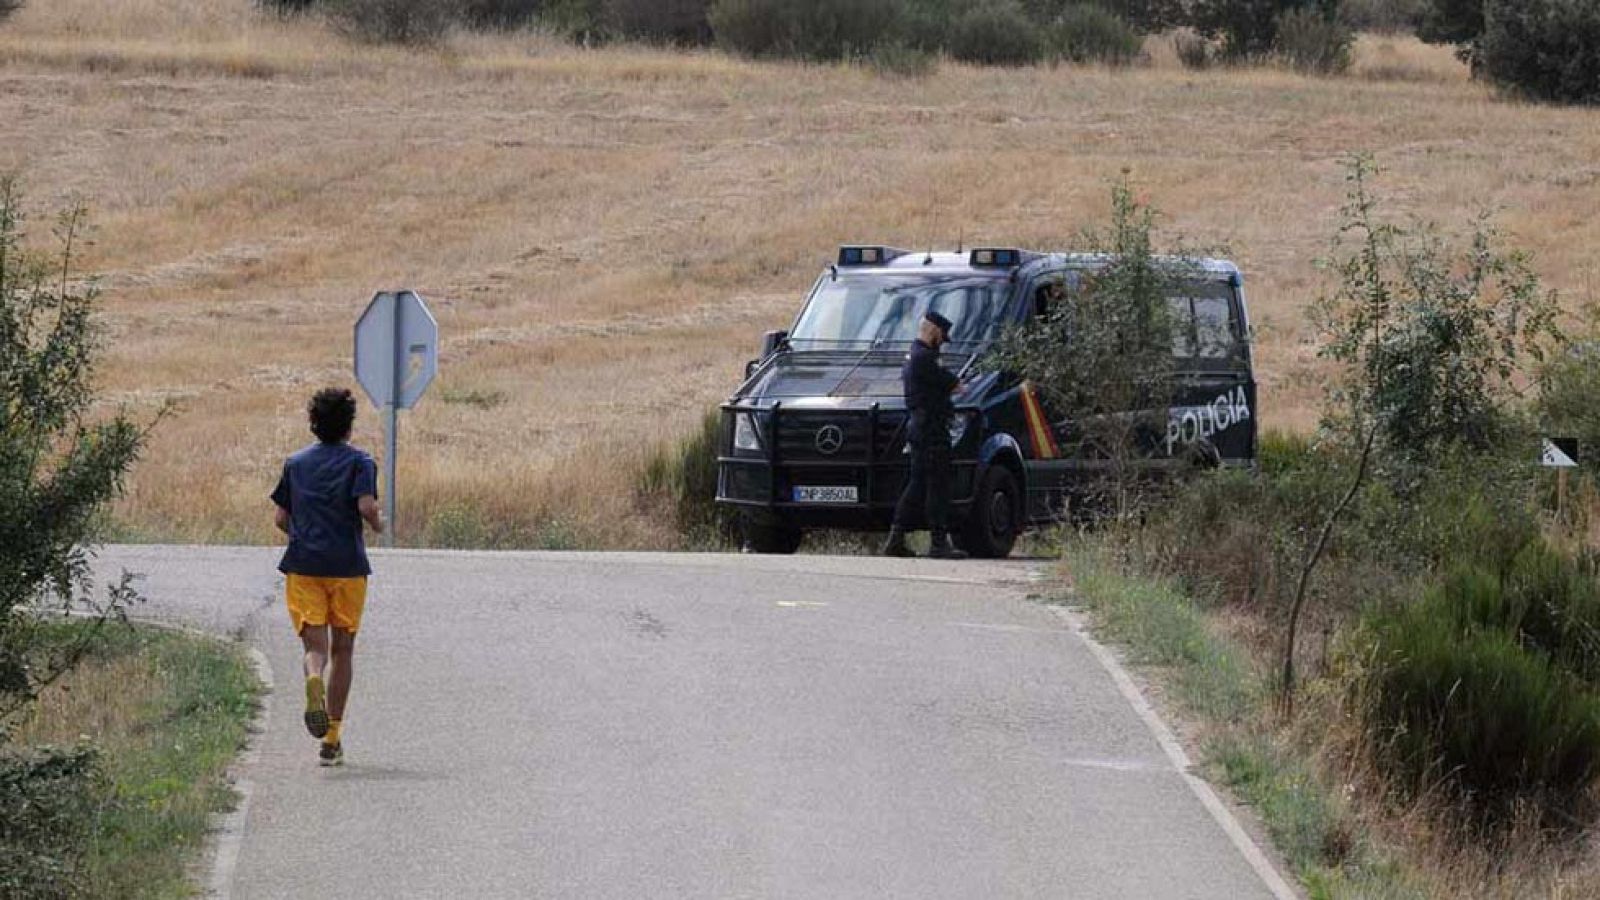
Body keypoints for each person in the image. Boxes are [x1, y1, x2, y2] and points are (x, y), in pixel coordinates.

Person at [271, 387, 384, 767]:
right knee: (344, 650)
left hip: (304, 566)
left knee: (314, 650)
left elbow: (280, 518)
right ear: (349, 426)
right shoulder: (361, 462)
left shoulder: (295, 464)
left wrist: (305, 538)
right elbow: (366, 506)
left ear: (313, 424)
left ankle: (312, 679)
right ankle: (332, 738)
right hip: (348, 568)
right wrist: (378, 524)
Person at [883, 311, 966, 560]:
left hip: (920, 427)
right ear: (933, 331)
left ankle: (896, 538)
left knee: (918, 484)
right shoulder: (926, 358)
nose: (942, 341)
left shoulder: (913, 355)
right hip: (931, 429)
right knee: (936, 486)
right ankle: (938, 543)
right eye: (941, 336)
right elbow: (958, 387)